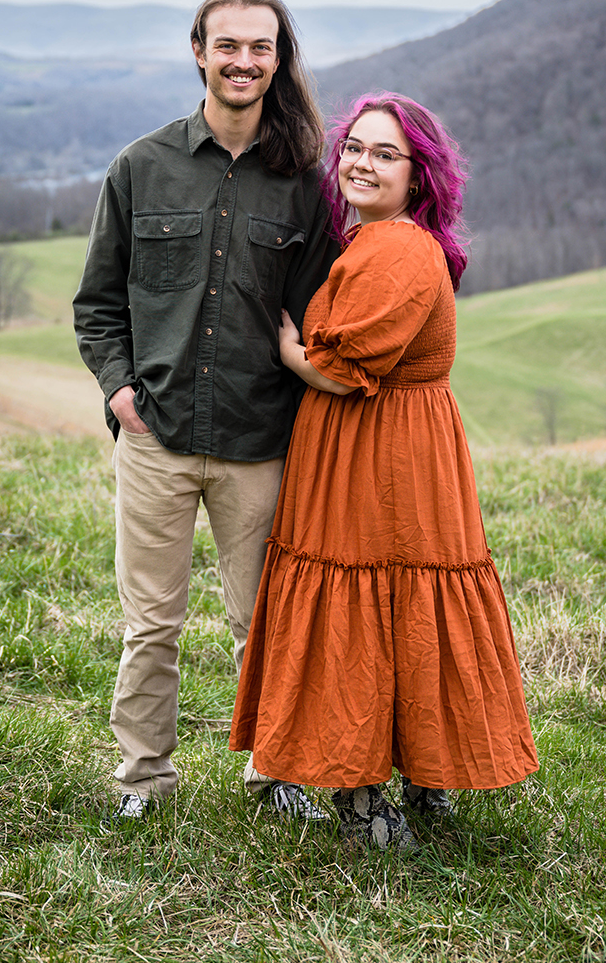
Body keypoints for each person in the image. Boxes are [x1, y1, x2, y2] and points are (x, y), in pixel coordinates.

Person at [229, 93, 538, 849]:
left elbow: (343, 371)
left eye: (385, 154)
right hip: (388, 441)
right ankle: (419, 774)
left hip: (380, 448)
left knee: (365, 597)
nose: (362, 163)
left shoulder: (400, 249)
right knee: (399, 599)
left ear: (419, 175)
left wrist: (289, 349)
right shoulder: (377, 240)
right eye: (354, 149)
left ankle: (367, 797)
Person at [74, 0, 337, 821]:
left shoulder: (306, 189)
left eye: (261, 48)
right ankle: (143, 781)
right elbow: (97, 303)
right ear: (198, 51)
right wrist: (120, 393)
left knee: (263, 625)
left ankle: (273, 774)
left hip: (259, 441)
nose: (244, 61)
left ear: (277, 60)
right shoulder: (141, 168)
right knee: (150, 626)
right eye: (229, 45)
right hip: (156, 436)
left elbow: (321, 315)